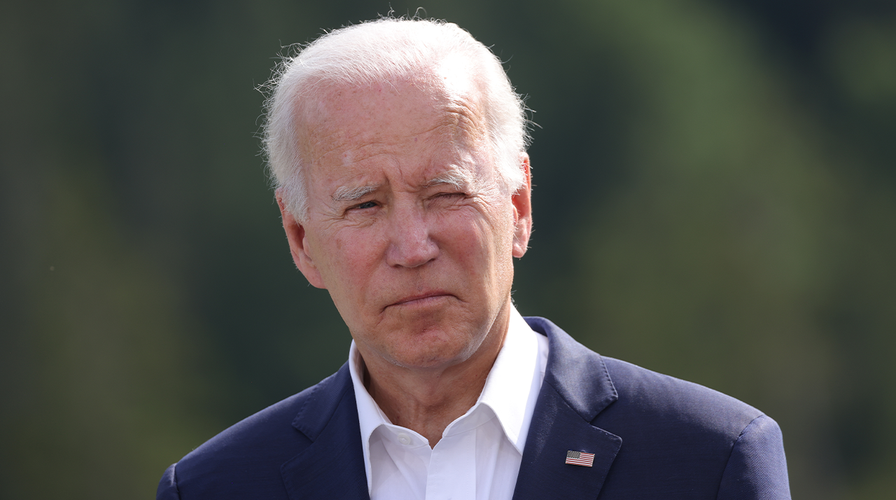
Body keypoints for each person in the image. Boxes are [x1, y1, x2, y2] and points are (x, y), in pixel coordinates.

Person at [157, 17, 790, 500]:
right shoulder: (216, 488)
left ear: (518, 206)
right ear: (301, 240)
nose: (412, 248)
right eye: (365, 206)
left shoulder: (709, 462)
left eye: (446, 193)